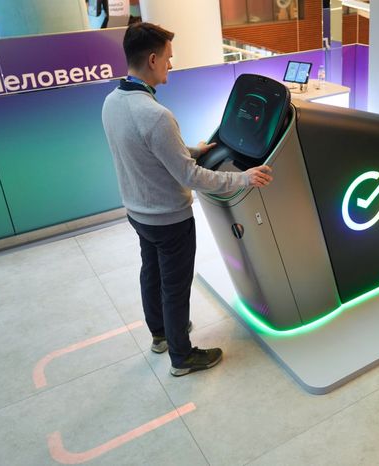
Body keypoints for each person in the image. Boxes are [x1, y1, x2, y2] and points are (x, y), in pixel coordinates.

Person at [101, 22, 273, 377]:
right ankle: (182, 357)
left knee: (151, 274)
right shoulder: (156, 116)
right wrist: (243, 178)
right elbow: (190, 177)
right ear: (152, 59)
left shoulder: (112, 102)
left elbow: (143, 150)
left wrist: (191, 150)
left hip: (138, 213)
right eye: (168, 57)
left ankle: (161, 335)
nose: (171, 64)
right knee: (176, 287)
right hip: (169, 219)